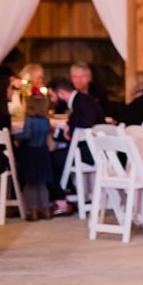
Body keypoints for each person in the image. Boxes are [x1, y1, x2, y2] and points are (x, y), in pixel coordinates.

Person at [48, 76, 105, 215]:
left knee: (47, 160)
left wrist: (71, 128)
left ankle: (61, 200)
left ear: (61, 92)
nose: (52, 100)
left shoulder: (82, 102)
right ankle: (68, 196)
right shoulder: (80, 100)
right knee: (54, 157)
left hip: (89, 153)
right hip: (85, 150)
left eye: (52, 95)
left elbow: (86, 124)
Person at [15, 93, 54, 221]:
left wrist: (15, 137)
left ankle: (33, 211)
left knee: (30, 183)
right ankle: (46, 209)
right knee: (42, 184)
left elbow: (27, 135)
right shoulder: (46, 120)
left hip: (31, 153)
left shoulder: (29, 120)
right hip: (43, 152)